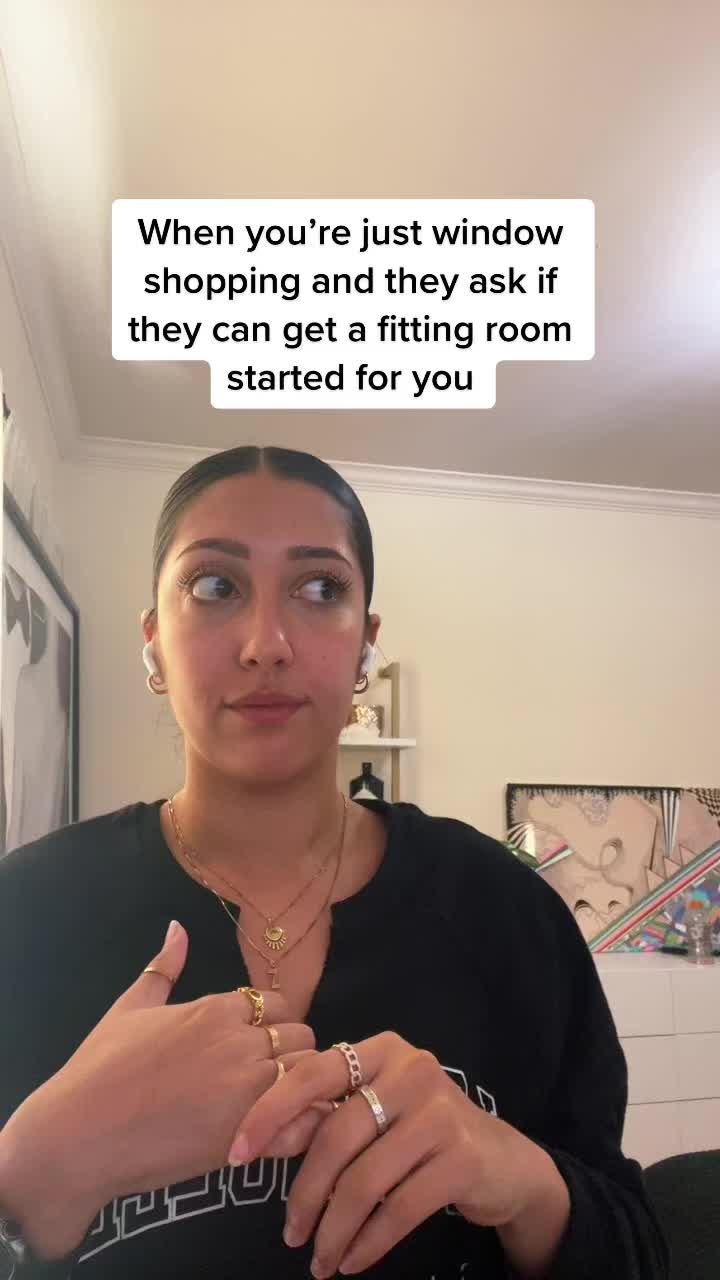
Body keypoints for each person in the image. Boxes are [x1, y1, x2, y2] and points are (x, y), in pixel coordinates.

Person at [0, 446, 669, 1279]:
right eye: (215, 586)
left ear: (365, 650)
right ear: (154, 645)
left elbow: (635, 1249)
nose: (266, 644)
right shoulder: (28, 912)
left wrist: (527, 1184)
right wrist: (35, 1168)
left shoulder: (506, 910)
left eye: (320, 589)